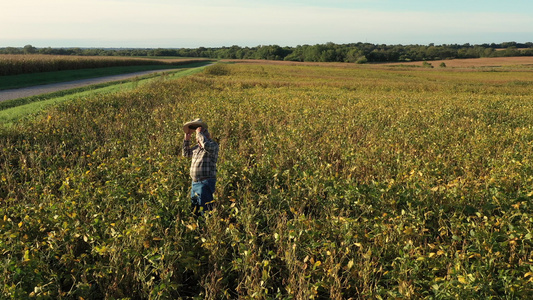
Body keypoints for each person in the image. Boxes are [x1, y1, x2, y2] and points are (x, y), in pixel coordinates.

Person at [182, 118, 219, 216]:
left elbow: (206, 145)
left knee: (206, 212)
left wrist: (200, 134)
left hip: (205, 183)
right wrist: (187, 138)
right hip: (195, 183)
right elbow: (185, 153)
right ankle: (199, 228)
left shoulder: (212, 146)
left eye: (201, 136)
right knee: (194, 211)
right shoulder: (196, 148)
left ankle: (208, 229)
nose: (198, 138)